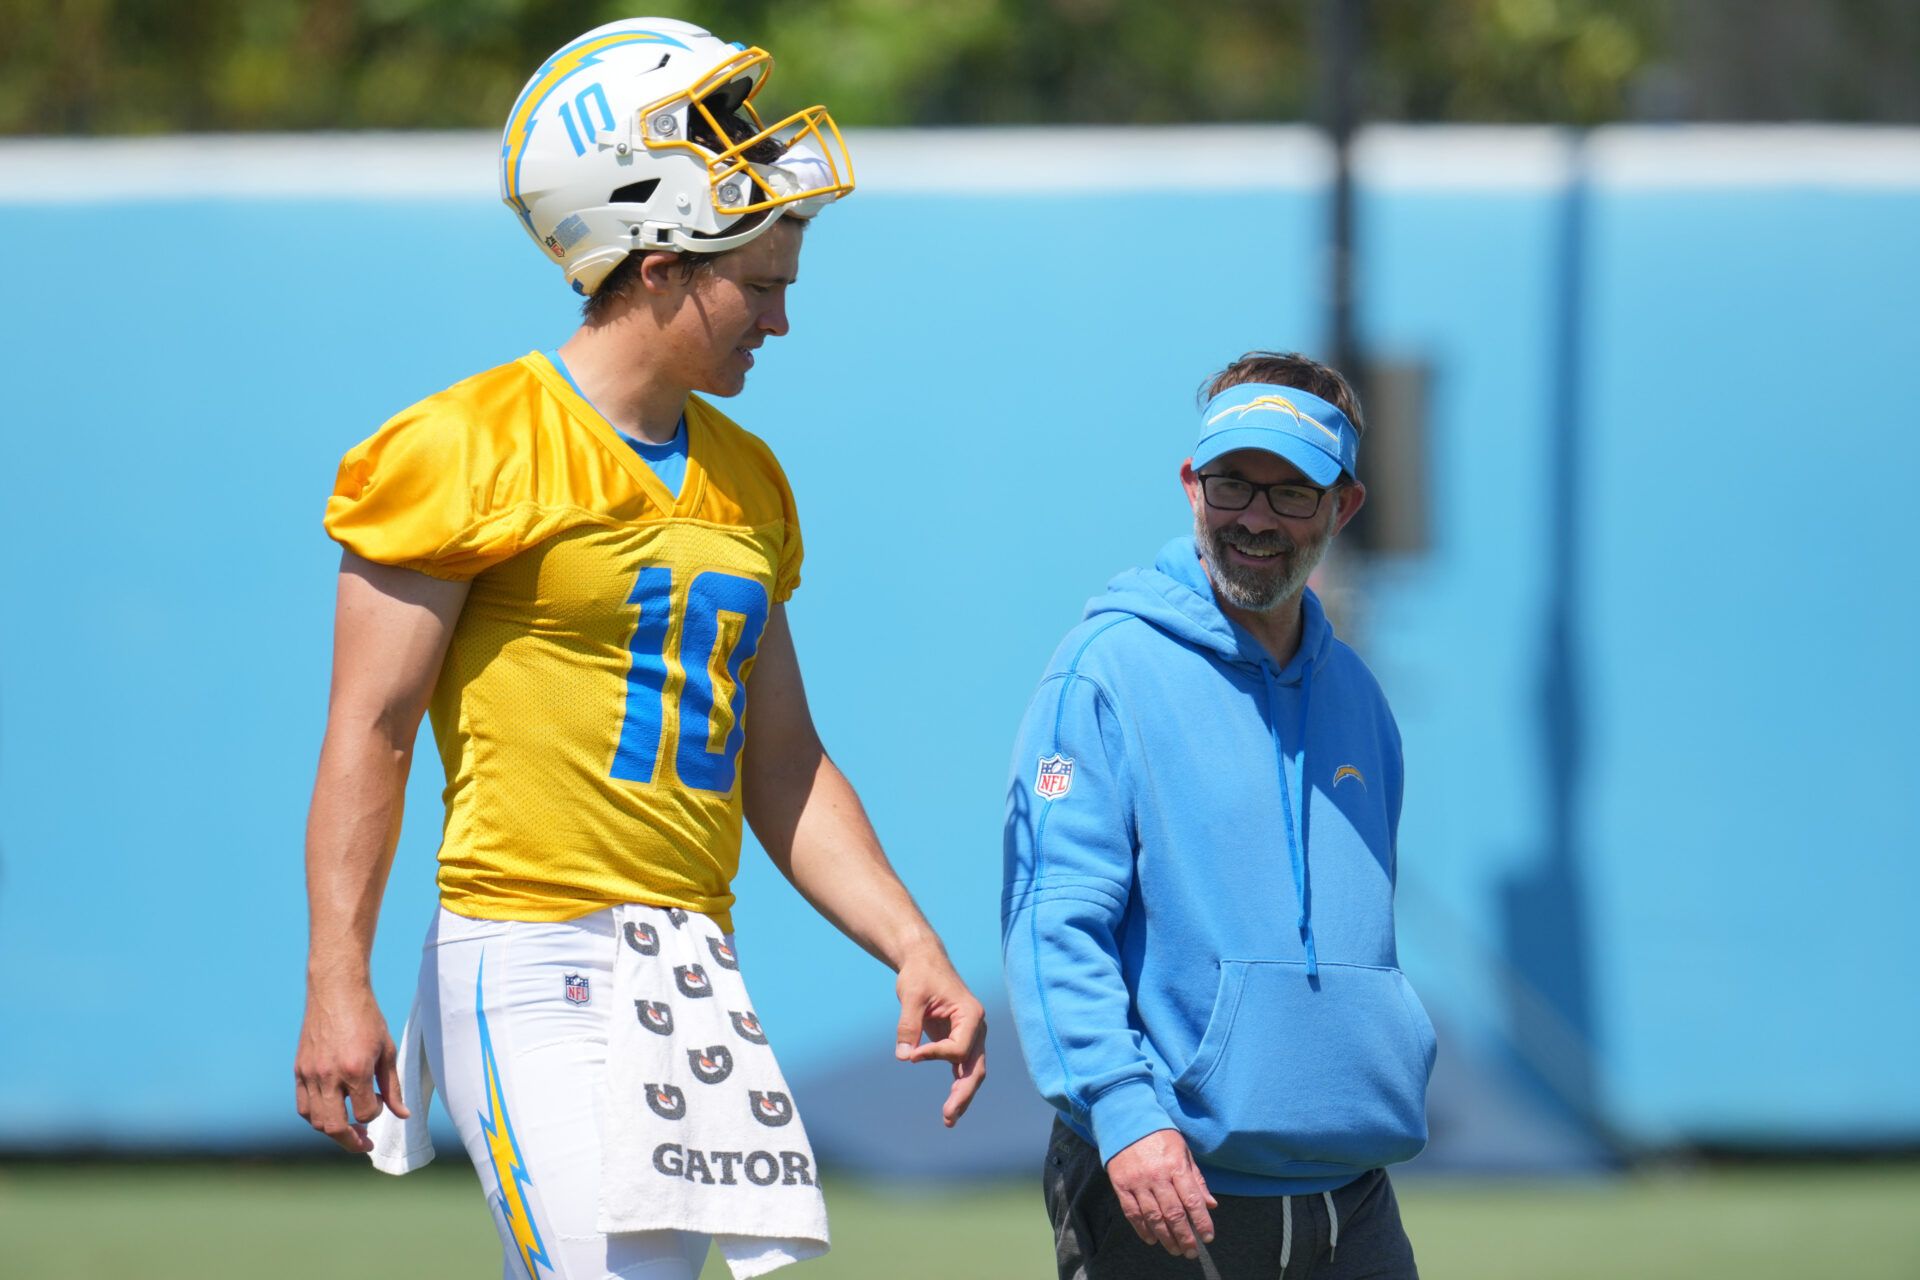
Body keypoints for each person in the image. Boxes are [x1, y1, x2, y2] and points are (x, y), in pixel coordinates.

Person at [292, 19, 985, 1279]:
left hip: (689, 962)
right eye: (759, 285)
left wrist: (910, 939)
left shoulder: (748, 476)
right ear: (659, 265)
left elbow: (781, 760)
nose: (780, 322)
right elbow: (372, 731)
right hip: (528, 946)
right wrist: (337, 977)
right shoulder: (466, 443)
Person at [1002, 351, 1434, 1279]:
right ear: (1191, 483)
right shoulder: (1105, 671)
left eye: (1290, 494)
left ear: (1342, 508)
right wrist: (1124, 1111)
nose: (1253, 519)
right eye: (1234, 484)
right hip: (1171, 1184)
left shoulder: (1357, 694)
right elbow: (1053, 921)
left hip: (1352, 1185)